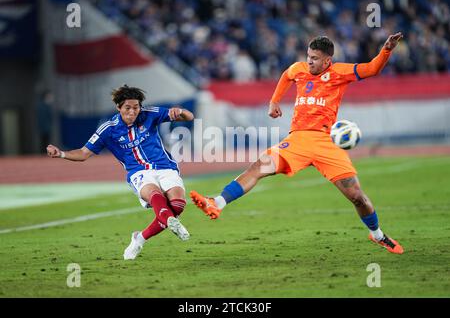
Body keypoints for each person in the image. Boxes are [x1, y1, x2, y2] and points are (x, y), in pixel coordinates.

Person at [191, 33, 405, 254]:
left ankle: (377, 234)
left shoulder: (340, 72)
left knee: (357, 197)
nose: (309, 61)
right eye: (308, 56)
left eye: (314, 58)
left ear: (327, 61)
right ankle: (217, 202)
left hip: (324, 143)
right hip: (298, 141)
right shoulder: (299, 69)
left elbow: (372, 69)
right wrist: (274, 101)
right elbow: (286, 75)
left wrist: (386, 49)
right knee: (258, 167)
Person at [47, 85, 194, 260]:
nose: (133, 112)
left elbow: (189, 116)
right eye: (128, 108)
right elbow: (83, 153)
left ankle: (139, 238)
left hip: (165, 167)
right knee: (156, 196)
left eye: (136, 107)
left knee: (177, 206)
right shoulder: (108, 129)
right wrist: (61, 154)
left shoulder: (150, 114)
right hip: (138, 172)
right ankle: (169, 223)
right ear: (118, 107)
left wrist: (182, 112)